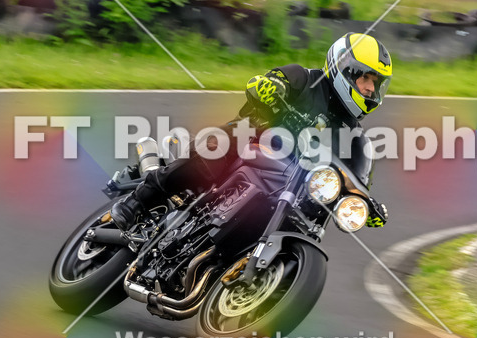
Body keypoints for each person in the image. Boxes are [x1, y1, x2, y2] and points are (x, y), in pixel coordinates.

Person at [109, 33, 394, 231]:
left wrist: (364, 206)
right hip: (247, 151)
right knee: (229, 141)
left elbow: (356, 186)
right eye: (365, 78)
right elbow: (266, 81)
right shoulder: (303, 79)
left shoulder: (357, 143)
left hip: (286, 193)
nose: (370, 89)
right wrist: (269, 88)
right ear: (344, 69)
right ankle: (137, 202)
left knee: (314, 218)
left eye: (376, 83)